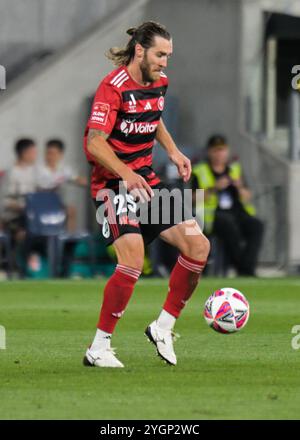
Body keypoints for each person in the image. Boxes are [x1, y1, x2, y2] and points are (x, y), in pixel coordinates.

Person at [82, 21, 210, 368]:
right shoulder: (112, 87)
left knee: (198, 246)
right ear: (140, 50)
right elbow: (95, 142)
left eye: (168, 55)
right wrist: (126, 173)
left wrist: (173, 150)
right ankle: (99, 347)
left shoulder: (160, 83)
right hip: (113, 186)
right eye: (160, 54)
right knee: (133, 258)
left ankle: (163, 327)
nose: (165, 62)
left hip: (147, 183)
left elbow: (153, 119)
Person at [192, 134, 264, 276]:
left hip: (237, 211)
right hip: (213, 215)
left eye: (222, 150)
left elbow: (247, 195)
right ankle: (244, 270)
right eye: (216, 150)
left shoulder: (235, 169)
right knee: (227, 224)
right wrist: (214, 188)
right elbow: (194, 199)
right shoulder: (200, 171)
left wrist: (239, 187)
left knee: (256, 226)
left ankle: (246, 267)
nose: (220, 154)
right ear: (209, 152)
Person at [2, 138, 38, 273]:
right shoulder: (11, 173)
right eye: (33, 152)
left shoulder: (34, 171)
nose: (35, 155)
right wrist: (22, 206)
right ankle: (16, 266)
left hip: (32, 216)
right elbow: (5, 202)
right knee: (23, 232)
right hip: (14, 217)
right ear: (24, 153)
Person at [37, 139, 87, 232]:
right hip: (42, 202)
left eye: (54, 153)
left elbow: (78, 179)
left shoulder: (64, 169)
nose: (50, 156)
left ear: (60, 154)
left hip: (58, 203)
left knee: (71, 210)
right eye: (48, 153)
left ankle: (69, 240)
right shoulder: (39, 169)